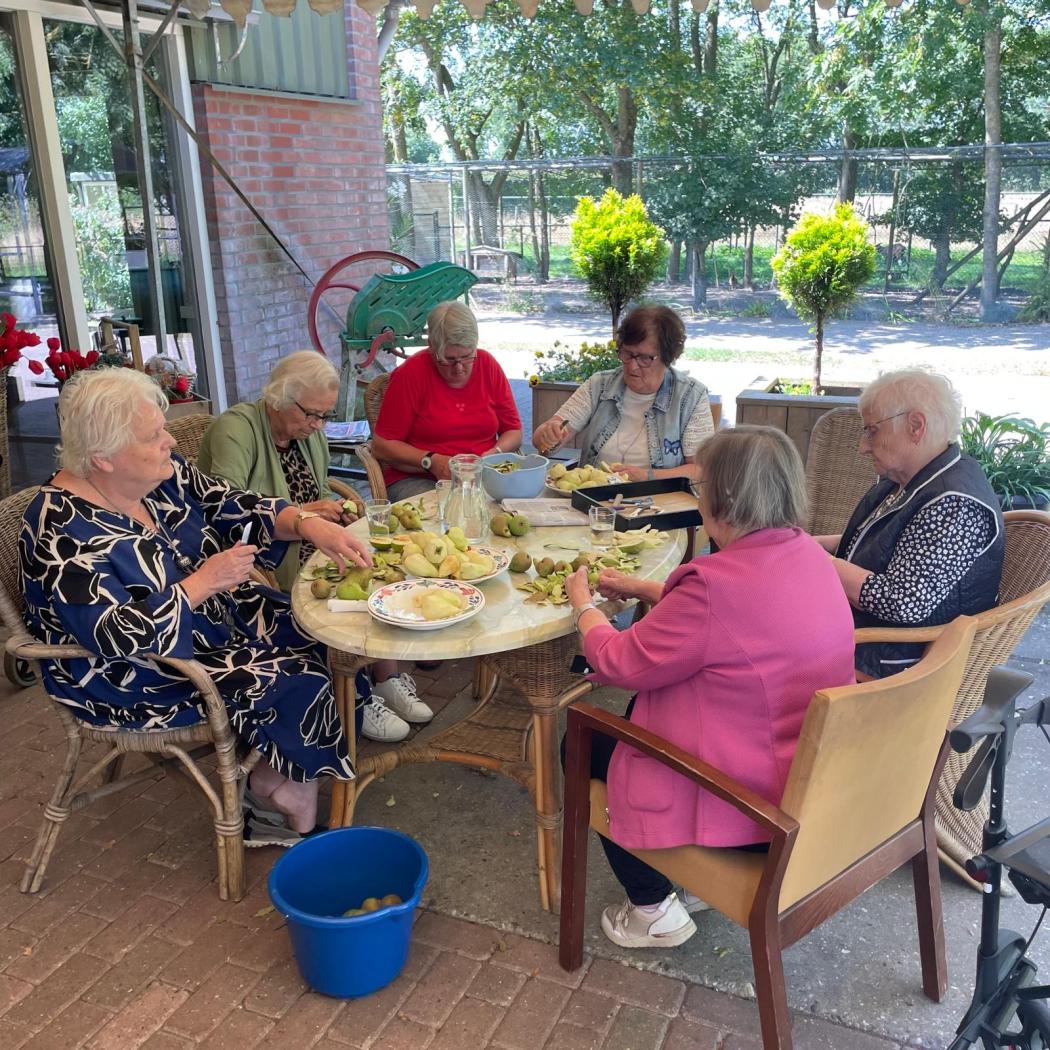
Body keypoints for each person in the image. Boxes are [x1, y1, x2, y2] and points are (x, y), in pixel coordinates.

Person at [20, 368, 373, 846]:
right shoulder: (60, 529)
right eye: (153, 436)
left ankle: (279, 773)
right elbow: (110, 635)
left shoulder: (160, 473)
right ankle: (283, 801)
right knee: (298, 676)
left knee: (327, 634)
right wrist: (202, 583)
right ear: (102, 457)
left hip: (215, 619)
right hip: (140, 671)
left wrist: (306, 522)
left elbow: (228, 502)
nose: (169, 441)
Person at [564, 426, 855, 949]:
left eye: (701, 487)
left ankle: (652, 908)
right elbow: (737, 619)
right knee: (638, 710)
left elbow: (617, 661)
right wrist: (646, 588)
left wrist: (583, 605)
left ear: (723, 499)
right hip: (809, 785)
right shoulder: (808, 554)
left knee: (580, 738)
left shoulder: (712, 587)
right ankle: (676, 884)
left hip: (750, 808)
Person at [198, 350, 431, 744]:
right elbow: (227, 513)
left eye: (325, 415)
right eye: (312, 414)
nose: (319, 425)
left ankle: (385, 678)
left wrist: (336, 509)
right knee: (353, 584)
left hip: (312, 543)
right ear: (279, 398)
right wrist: (307, 516)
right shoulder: (235, 430)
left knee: (381, 567)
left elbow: (318, 489)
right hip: (263, 558)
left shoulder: (308, 435)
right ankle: (354, 698)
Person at [814, 369, 1004, 680]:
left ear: (916, 426)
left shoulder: (954, 504)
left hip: (901, 670)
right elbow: (888, 541)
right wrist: (813, 543)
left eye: (871, 431)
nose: (863, 446)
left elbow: (902, 602)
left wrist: (816, 560)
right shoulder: (915, 479)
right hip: (870, 644)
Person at [532, 305, 714, 481]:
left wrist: (647, 477)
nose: (632, 366)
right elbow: (543, 443)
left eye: (644, 358)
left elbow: (701, 469)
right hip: (595, 495)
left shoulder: (691, 396)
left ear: (668, 357)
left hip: (660, 498)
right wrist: (548, 436)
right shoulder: (600, 385)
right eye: (627, 354)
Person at [372, 300, 523, 501]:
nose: (459, 368)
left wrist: (495, 452)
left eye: (467, 357)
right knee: (454, 507)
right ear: (432, 347)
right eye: (448, 360)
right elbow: (381, 446)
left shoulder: (487, 365)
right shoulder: (411, 374)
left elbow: (514, 431)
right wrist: (430, 461)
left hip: (481, 476)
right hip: (419, 477)